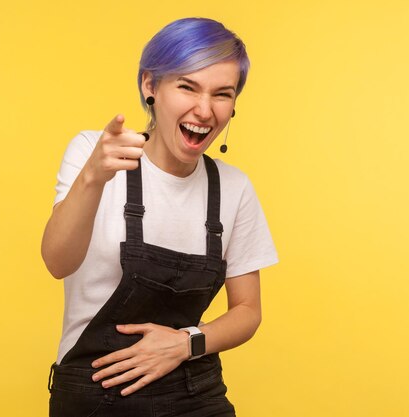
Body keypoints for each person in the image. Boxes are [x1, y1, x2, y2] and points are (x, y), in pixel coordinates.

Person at [41, 17, 278, 417]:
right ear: (151, 86)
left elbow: (248, 311)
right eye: (187, 86)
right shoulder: (93, 153)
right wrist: (93, 179)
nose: (204, 110)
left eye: (222, 94)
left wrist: (186, 343)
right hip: (96, 393)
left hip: (194, 391)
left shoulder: (234, 188)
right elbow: (56, 262)